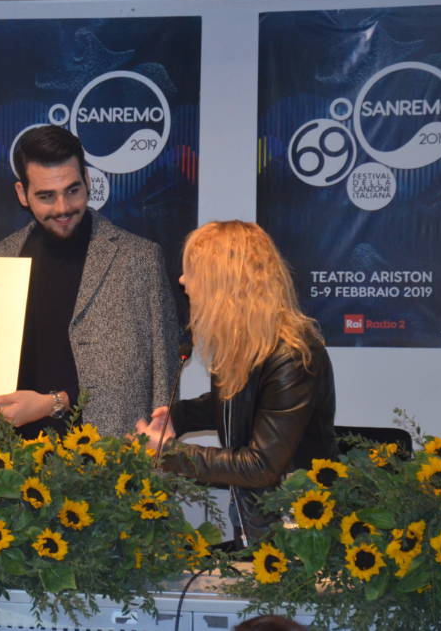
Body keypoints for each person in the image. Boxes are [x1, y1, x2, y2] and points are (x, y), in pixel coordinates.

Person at [137, 220, 339, 544]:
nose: (182, 280)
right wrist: (178, 417)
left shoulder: (292, 356)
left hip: (300, 537)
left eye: (192, 271)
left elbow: (261, 465)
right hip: (258, 525)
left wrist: (169, 453)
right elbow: (235, 403)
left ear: (221, 281)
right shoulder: (242, 343)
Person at [0, 125, 179, 438]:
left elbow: (164, 381)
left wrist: (157, 452)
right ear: (22, 194)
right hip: (13, 457)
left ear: (88, 180)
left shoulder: (140, 259)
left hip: (113, 454)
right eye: (46, 196)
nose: (62, 208)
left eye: (72, 190)